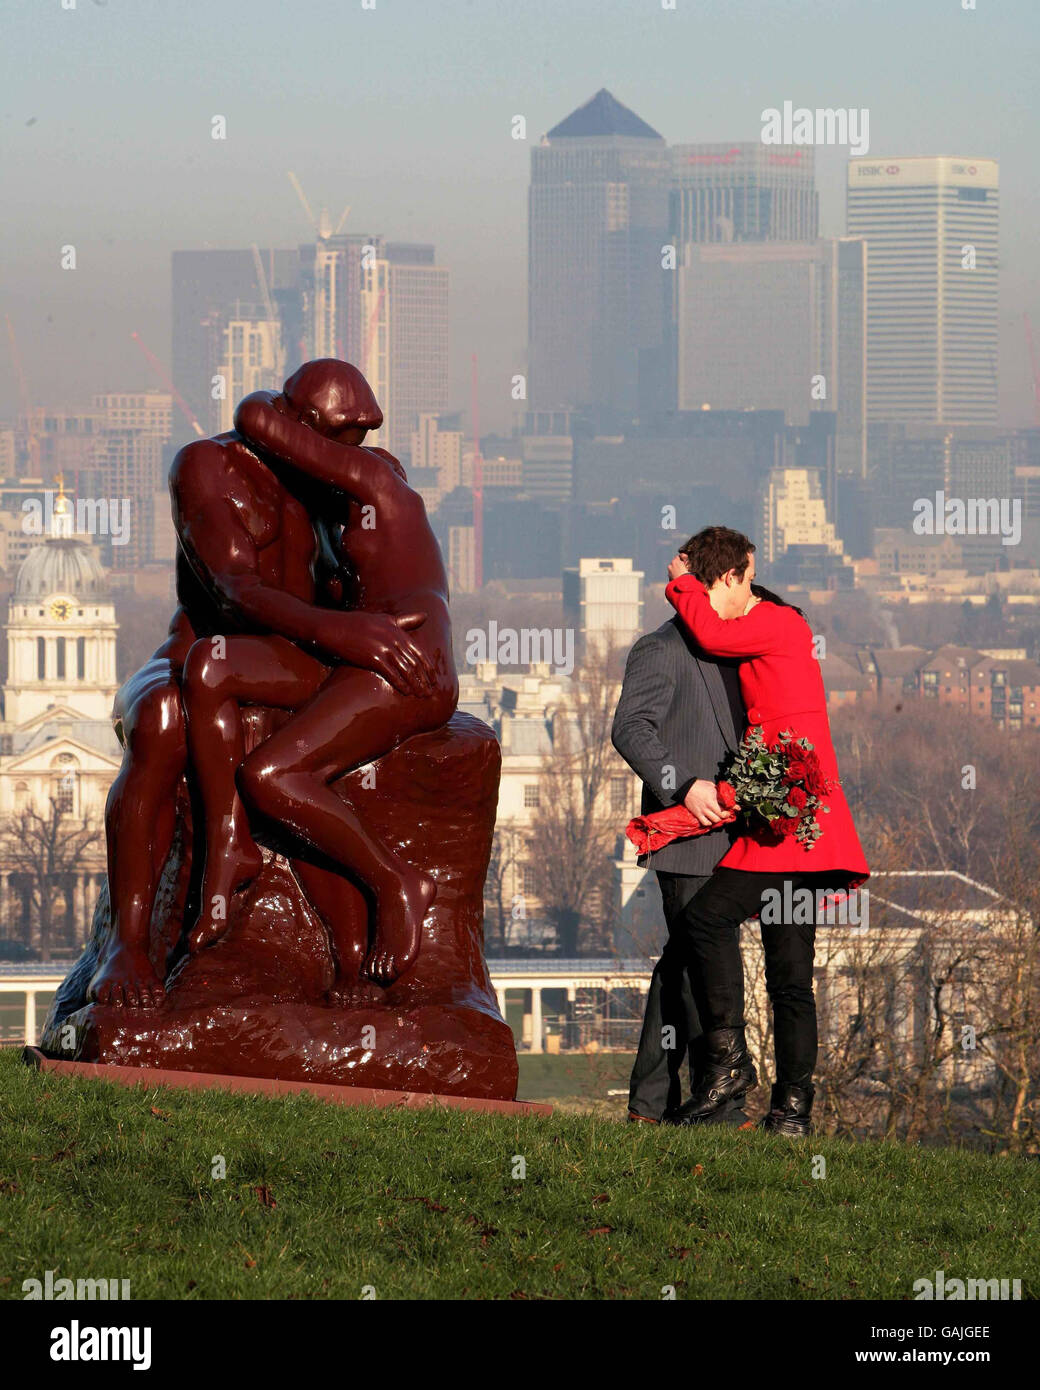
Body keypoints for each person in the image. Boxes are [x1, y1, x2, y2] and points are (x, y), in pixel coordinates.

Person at [87, 362, 432, 1007]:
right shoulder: (209, 466)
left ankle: (353, 957)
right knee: (163, 715)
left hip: (304, 660)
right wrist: (343, 633)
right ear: (291, 421)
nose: (342, 453)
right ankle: (128, 946)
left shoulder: (338, 487)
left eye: (354, 440)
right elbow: (234, 589)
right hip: (203, 649)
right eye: (333, 435)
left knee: (302, 752)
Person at [187, 361, 459, 986]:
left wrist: (277, 404)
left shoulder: (376, 481)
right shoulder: (349, 504)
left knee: (272, 775)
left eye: (319, 434)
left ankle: (397, 884)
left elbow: (252, 417)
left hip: (408, 664)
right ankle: (230, 847)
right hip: (362, 660)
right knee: (212, 666)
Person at [662, 526, 869, 1136]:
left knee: (706, 920)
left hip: (788, 825)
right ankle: (792, 1113)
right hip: (796, 821)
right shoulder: (778, 624)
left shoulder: (776, 621)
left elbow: (711, 631)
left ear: (726, 580)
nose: (702, 597)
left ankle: (729, 1067)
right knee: (790, 978)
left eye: (707, 586)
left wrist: (679, 584)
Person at [611, 570, 747, 1126]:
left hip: (734, 841)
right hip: (685, 840)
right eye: (748, 581)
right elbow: (630, 728)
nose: (751, 596)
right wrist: (684, 785)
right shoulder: (660, 647)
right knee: (705, 964)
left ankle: (650, 1104)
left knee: (684, 964)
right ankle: (722, 1107)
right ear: (724, 579)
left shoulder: (738, 650)